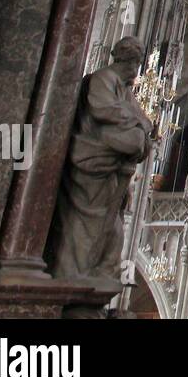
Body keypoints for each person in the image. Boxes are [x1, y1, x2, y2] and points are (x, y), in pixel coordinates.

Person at [49, 37, 153, 283]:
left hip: (111, 172)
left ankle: (92, 280)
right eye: (137, 64)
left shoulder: (123, 88)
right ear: (131, 62)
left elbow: (143, 122)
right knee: (86, 232)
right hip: (93, 163)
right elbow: (103, 109)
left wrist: (140, 129)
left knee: (111, 234)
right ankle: (72, 281)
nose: (136, 71)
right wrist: (137, 128)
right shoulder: (103, 80)